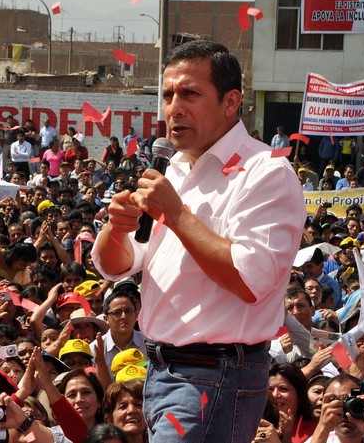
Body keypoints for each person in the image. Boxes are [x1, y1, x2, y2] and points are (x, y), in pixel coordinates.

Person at [92, 40, 306, 442]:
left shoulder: (265, 172)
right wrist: (117, 227)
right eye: (168, 94)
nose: (174, 107)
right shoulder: (172, 169)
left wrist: (176, 214)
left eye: (190, 93)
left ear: (230, 102)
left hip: (214, 376)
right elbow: (114, 266)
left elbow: (249, 280)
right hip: (160, 371)